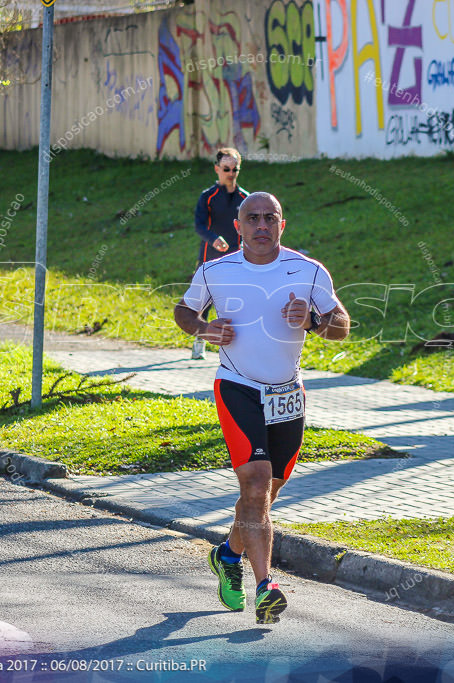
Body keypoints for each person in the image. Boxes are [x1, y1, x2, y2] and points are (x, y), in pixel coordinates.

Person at [173, 192, 350, 624]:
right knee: (253, 486)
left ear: (282, 225)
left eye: (270, 217)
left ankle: (228, 556)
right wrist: (204, 328)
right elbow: (183, 310)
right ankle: (265, 585)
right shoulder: (216, 270)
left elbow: (341, 326)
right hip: (237, 387)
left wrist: (312, 321)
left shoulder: (308, 271)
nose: (261, 225)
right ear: (238, 227)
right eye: (252, 218)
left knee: (263, 497)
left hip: (288, 394)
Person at [190, 148, 249, 359]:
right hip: (210, 256)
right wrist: (213, 239)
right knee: (204, 300)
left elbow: (249, 227)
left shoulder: (245, 198)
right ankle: (199, 339)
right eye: (226, 169)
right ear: (217, 169)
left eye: (235, 169)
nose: (231, 173)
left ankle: (235, 343)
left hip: (236, 257)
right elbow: (199, 226)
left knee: (235, 300)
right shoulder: (208, 197)